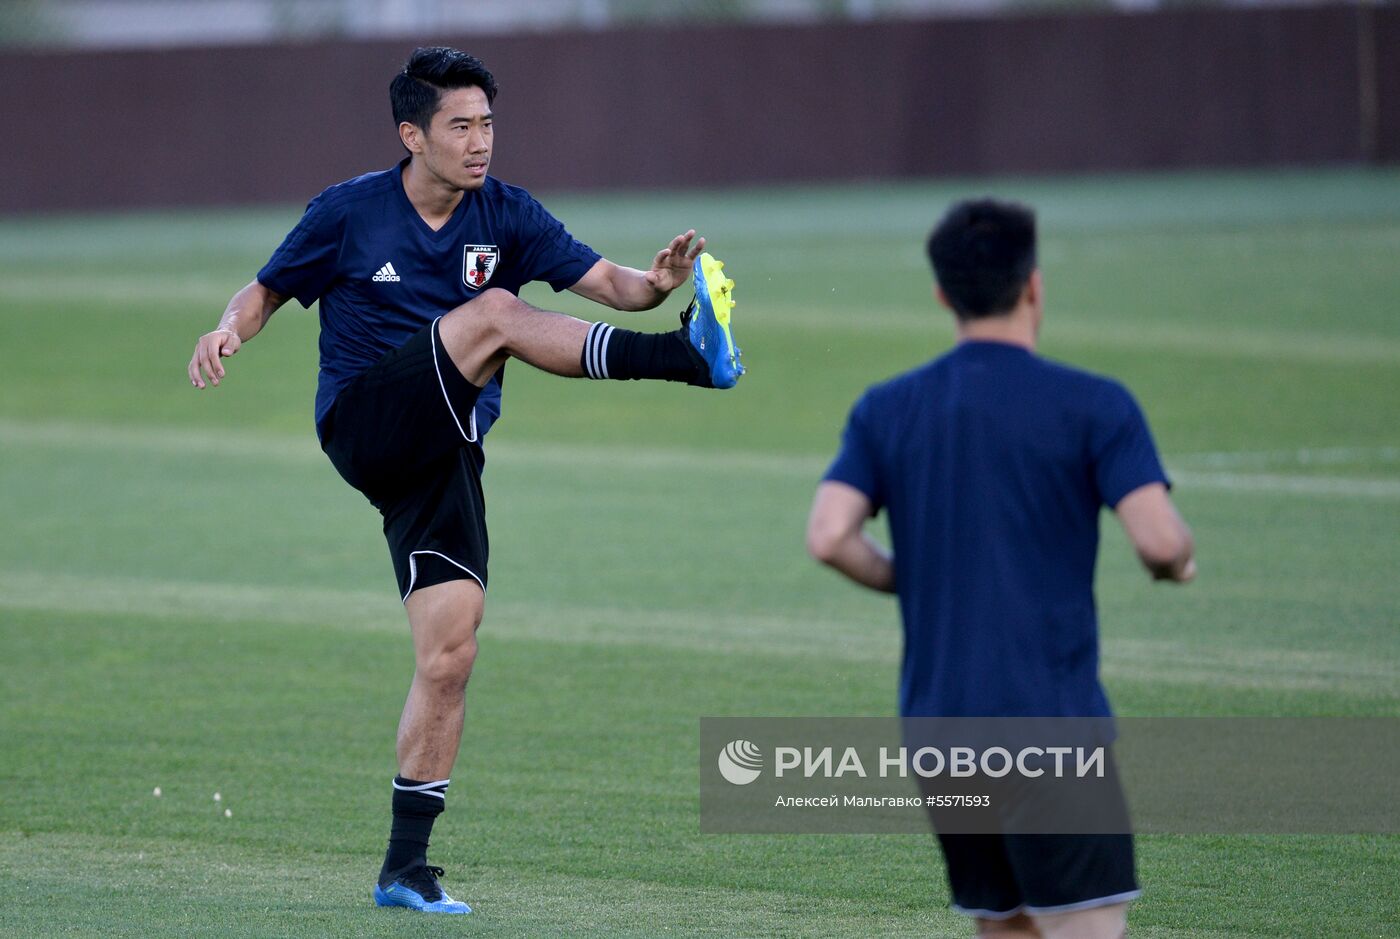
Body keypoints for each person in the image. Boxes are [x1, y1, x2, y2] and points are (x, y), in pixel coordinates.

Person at [186, 46, 743, 915]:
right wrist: (226, 331)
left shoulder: (509, 214)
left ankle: (403, 868)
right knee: (490, 316)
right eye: (460, 126)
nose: (480, 141)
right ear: (413, 134)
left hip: (441, 451)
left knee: (450, 653)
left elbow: (610, 285)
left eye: (487, 123)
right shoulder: (348, 212)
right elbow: (265, 291)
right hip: (366, 423)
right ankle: (686, 359)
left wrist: (655, 282)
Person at [806, 198, 1193, 939]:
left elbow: (829, 535)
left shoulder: (887, 407)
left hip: (941, 732)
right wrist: (1180, 563)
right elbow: (1160, 542)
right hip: (1050, 728)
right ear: (1034, 286)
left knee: (1005, 925)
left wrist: (907, 576)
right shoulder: (1095, 404)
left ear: (943, 295)